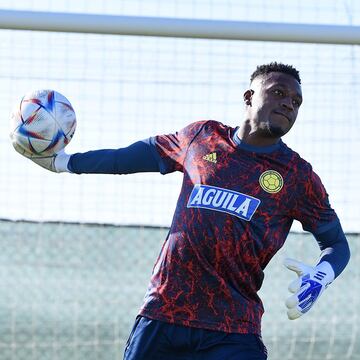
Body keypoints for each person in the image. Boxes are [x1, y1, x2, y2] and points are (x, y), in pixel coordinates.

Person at [13, 62, 350, 360]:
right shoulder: (201, 137)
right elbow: (131, 157)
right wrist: (65, 162)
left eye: (296, 101)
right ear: (249, 97)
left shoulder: (297, 175)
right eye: (279, 93)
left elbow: (336, 244)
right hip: (164, 313)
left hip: (233, 328)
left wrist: (322, 275)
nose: (289, 104)